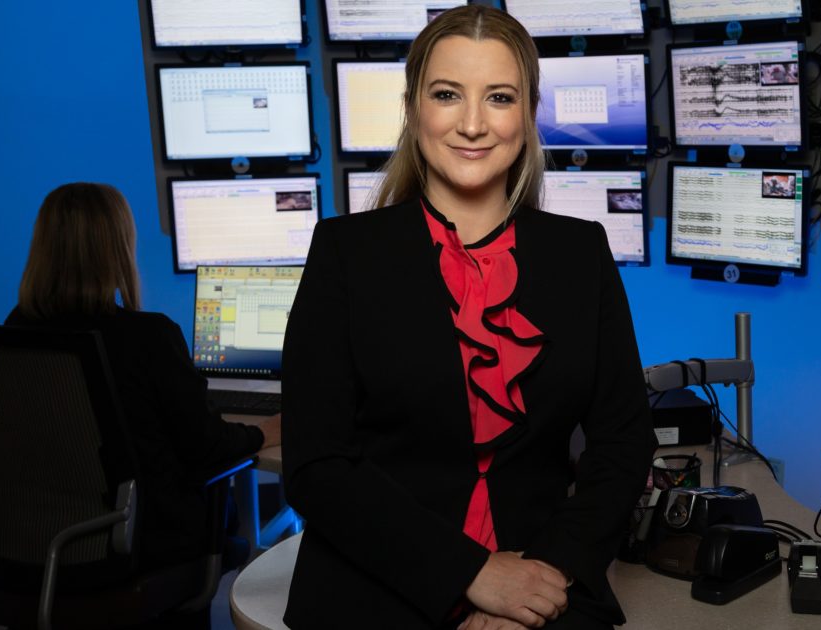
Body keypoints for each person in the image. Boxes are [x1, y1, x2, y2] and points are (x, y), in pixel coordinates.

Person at [281, 6, 656, 630]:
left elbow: (623, 444)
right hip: (374, 594)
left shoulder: (580, 253)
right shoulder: (345, 253)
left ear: (528, 113)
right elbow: (318, 466)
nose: (474, 124)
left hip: (542, 586)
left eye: (500, 97)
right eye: (448, 94)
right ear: (412, 109)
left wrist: (544, 580)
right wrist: (474, 574)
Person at [8, 183, 280, 600]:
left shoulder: (18, 331)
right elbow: (207, 446)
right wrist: (265, 431)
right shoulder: (147, 337)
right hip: (143, 540)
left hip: (47, 533)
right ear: (117, 249)